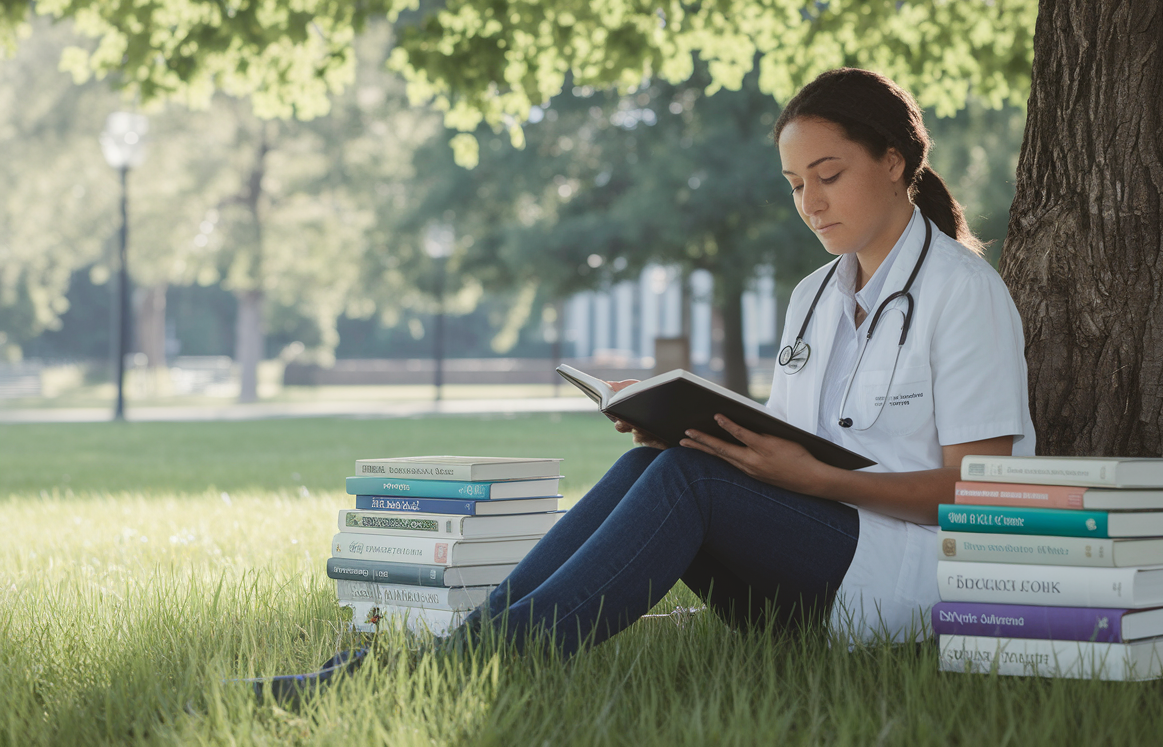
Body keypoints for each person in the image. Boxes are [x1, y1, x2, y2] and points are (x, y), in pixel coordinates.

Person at [254, 67, 1035, 700]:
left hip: (909, 580)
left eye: (828, 175)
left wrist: (815, 478)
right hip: (811, 562)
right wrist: (689, 428)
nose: (811, 203)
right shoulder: (815, 297)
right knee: (654, 462)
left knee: (687, 479)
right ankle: (455, 656)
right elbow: (793, 447)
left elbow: (980, 493)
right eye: (796, 184)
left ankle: (444, 671)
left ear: (895, 162)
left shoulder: (963, 294)